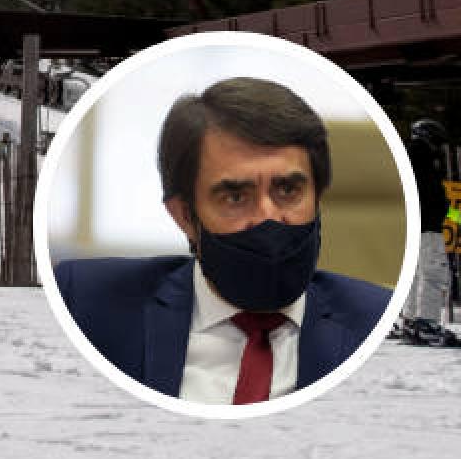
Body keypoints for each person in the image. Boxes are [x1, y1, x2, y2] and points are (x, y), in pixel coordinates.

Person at [54, 77, 391, 405]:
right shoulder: (85, 303)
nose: (267, 217)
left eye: (287, 190)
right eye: (235, 197)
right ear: (185, 216)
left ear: (318, 198)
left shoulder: (376, 321)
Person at [402, 118, 451, 333]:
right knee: (433, 272)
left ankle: (410, 318)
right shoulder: (423, 159)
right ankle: (426, 321)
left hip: (413, 224)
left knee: (414, 273)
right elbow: (430, 193)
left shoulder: (407, 156)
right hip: (427, 224)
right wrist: (440, 208)